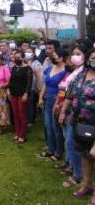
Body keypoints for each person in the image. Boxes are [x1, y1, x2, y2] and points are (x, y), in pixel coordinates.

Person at [59, 48, 95, 203]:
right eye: (92, 57)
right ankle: (87, 185)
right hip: (78, 122)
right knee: (84, 155)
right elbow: (70, 95)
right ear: (87, 59)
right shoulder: (81, 75)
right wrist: (63, 112)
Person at [56, 45, 86, 188]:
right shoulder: (76, 73)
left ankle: (80, 175)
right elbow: (69, 94)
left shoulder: (85, 73)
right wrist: (63, 110)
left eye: (78, 53)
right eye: (73, 53)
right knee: (70, 142)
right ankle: (77, 172)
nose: (74, 56)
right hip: (72, 113)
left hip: (85, 115)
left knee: (77, 145)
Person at [39, 48, 67, 160]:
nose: (53, 57)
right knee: (48, 126)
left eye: (55, 55)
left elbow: (63, 90)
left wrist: (59, 103)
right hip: (47, 99)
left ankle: (58, 152)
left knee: (56, 128)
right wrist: (41, 97)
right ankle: (50, 149)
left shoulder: (65, 71)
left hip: (57, 100)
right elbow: (45, 84)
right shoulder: (50, 68)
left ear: (61, 58)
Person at [9, 51, 33, 143]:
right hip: (14, 93)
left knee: (22, 114)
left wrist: (26, 93)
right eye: (15, 57)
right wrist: (9, 90)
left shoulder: (28, 69)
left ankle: (22, 134)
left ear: (23, 58)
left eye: (18, 57)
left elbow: (29, 83)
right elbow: (11, 80)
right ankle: (17, 133)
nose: (16, 59)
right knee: (15, 114)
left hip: (22, 94)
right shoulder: (14, 68)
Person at [25, 47, 43, 126]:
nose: (27, 53)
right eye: (26, 52)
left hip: (32, 86)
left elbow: (39, 76)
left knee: (31, 104)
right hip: (24, 86)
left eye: (29, 51)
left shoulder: (36, 63)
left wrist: (38, 86)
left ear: (33, 54)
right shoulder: (24, 62)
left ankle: (31, 120)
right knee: (27, 104)